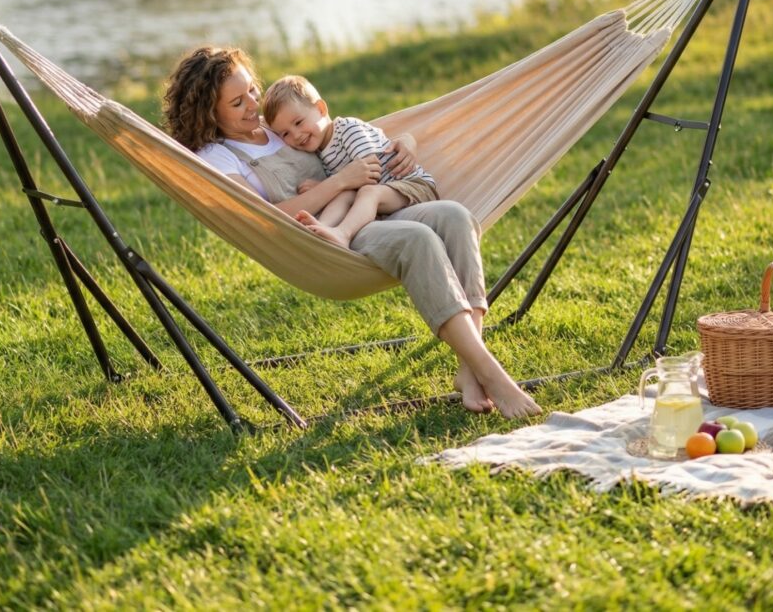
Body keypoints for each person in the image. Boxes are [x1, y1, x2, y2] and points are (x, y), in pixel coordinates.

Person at [162, 44, 541, 420]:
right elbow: (261, 217)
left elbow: (346, 136)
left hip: (364, 210)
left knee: (456, 216)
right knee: (418, 239)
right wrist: (341, 181)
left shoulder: (277, 124)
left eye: (252, 91)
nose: (253, 105)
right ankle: (492, 374)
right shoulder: (217, 157)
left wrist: (405, 141)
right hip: (324, 239)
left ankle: (469, 369)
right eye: (237, 102)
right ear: (208, 112)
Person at [262, 74, 438, 249]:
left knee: (368, 192)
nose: (296, 135)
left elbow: (371, 171)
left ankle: (343, 233)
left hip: (412, 186)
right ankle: (319, 230)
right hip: (387, 196)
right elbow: (348, 181)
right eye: (285, 134)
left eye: (299, 122)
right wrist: (329, 186)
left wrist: (324, 186)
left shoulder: (347, 130)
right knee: (346, 194)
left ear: (321, 109)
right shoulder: (318, 150)